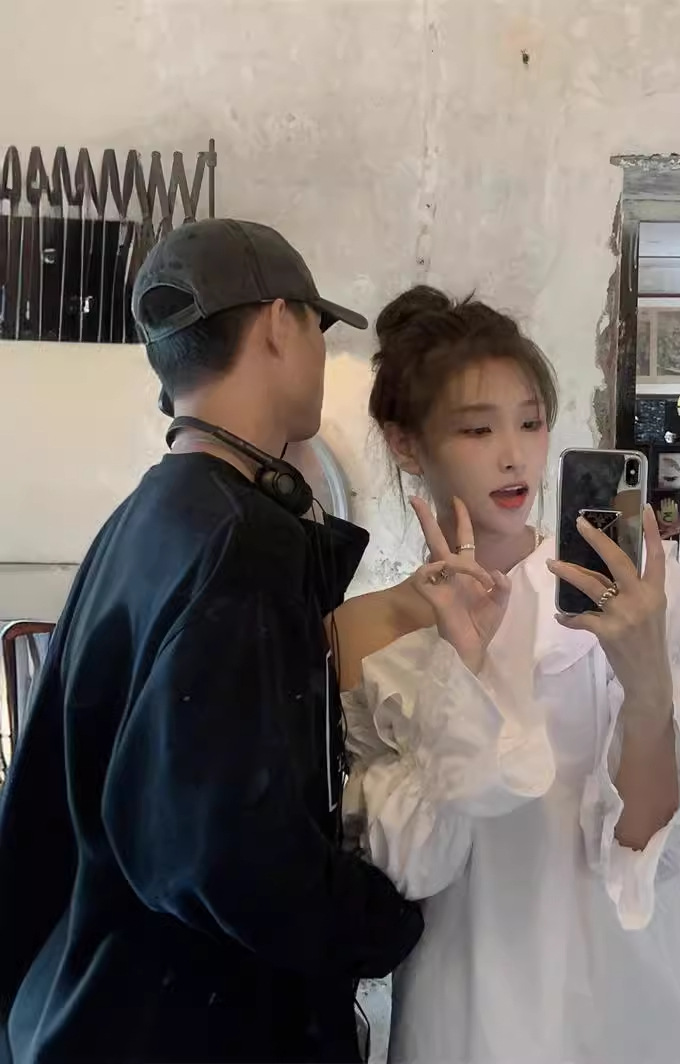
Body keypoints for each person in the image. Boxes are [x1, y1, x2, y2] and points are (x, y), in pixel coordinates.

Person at [0, 219, 423, 1064]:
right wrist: (386, 921)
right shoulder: (241, 543)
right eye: (318, 327)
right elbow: (230, 854)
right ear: (278, 324)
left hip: (82, 1006)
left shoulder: (148, 518)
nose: (320, 352)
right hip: (186, 1026)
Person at [330, 286, 680, 1064]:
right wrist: (462, 664)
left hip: (631, 982)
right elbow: (416, 867)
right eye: (477, 429)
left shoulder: (623, 601)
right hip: (475, 992)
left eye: (531, 422)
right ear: (407, 444)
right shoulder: (369, 631)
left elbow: (652, 845)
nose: (514, 455)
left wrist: (648, 686)